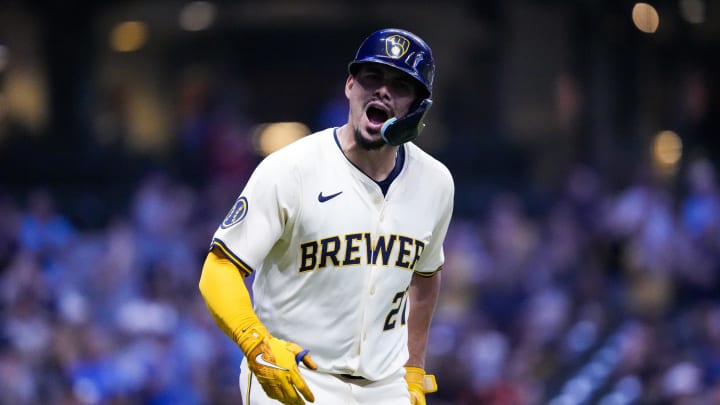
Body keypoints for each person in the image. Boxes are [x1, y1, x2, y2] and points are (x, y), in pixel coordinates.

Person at [199, 27, 454, 405]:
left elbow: (425, 278)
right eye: (372, 77)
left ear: (418, 106)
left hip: (384, 385)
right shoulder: (291, 169)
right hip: (295, 375)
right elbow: (218, 270)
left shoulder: (435, 183)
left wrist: (413, 367)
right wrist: (256, 343)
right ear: (350, 85)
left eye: (400, 85)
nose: (383, 90)